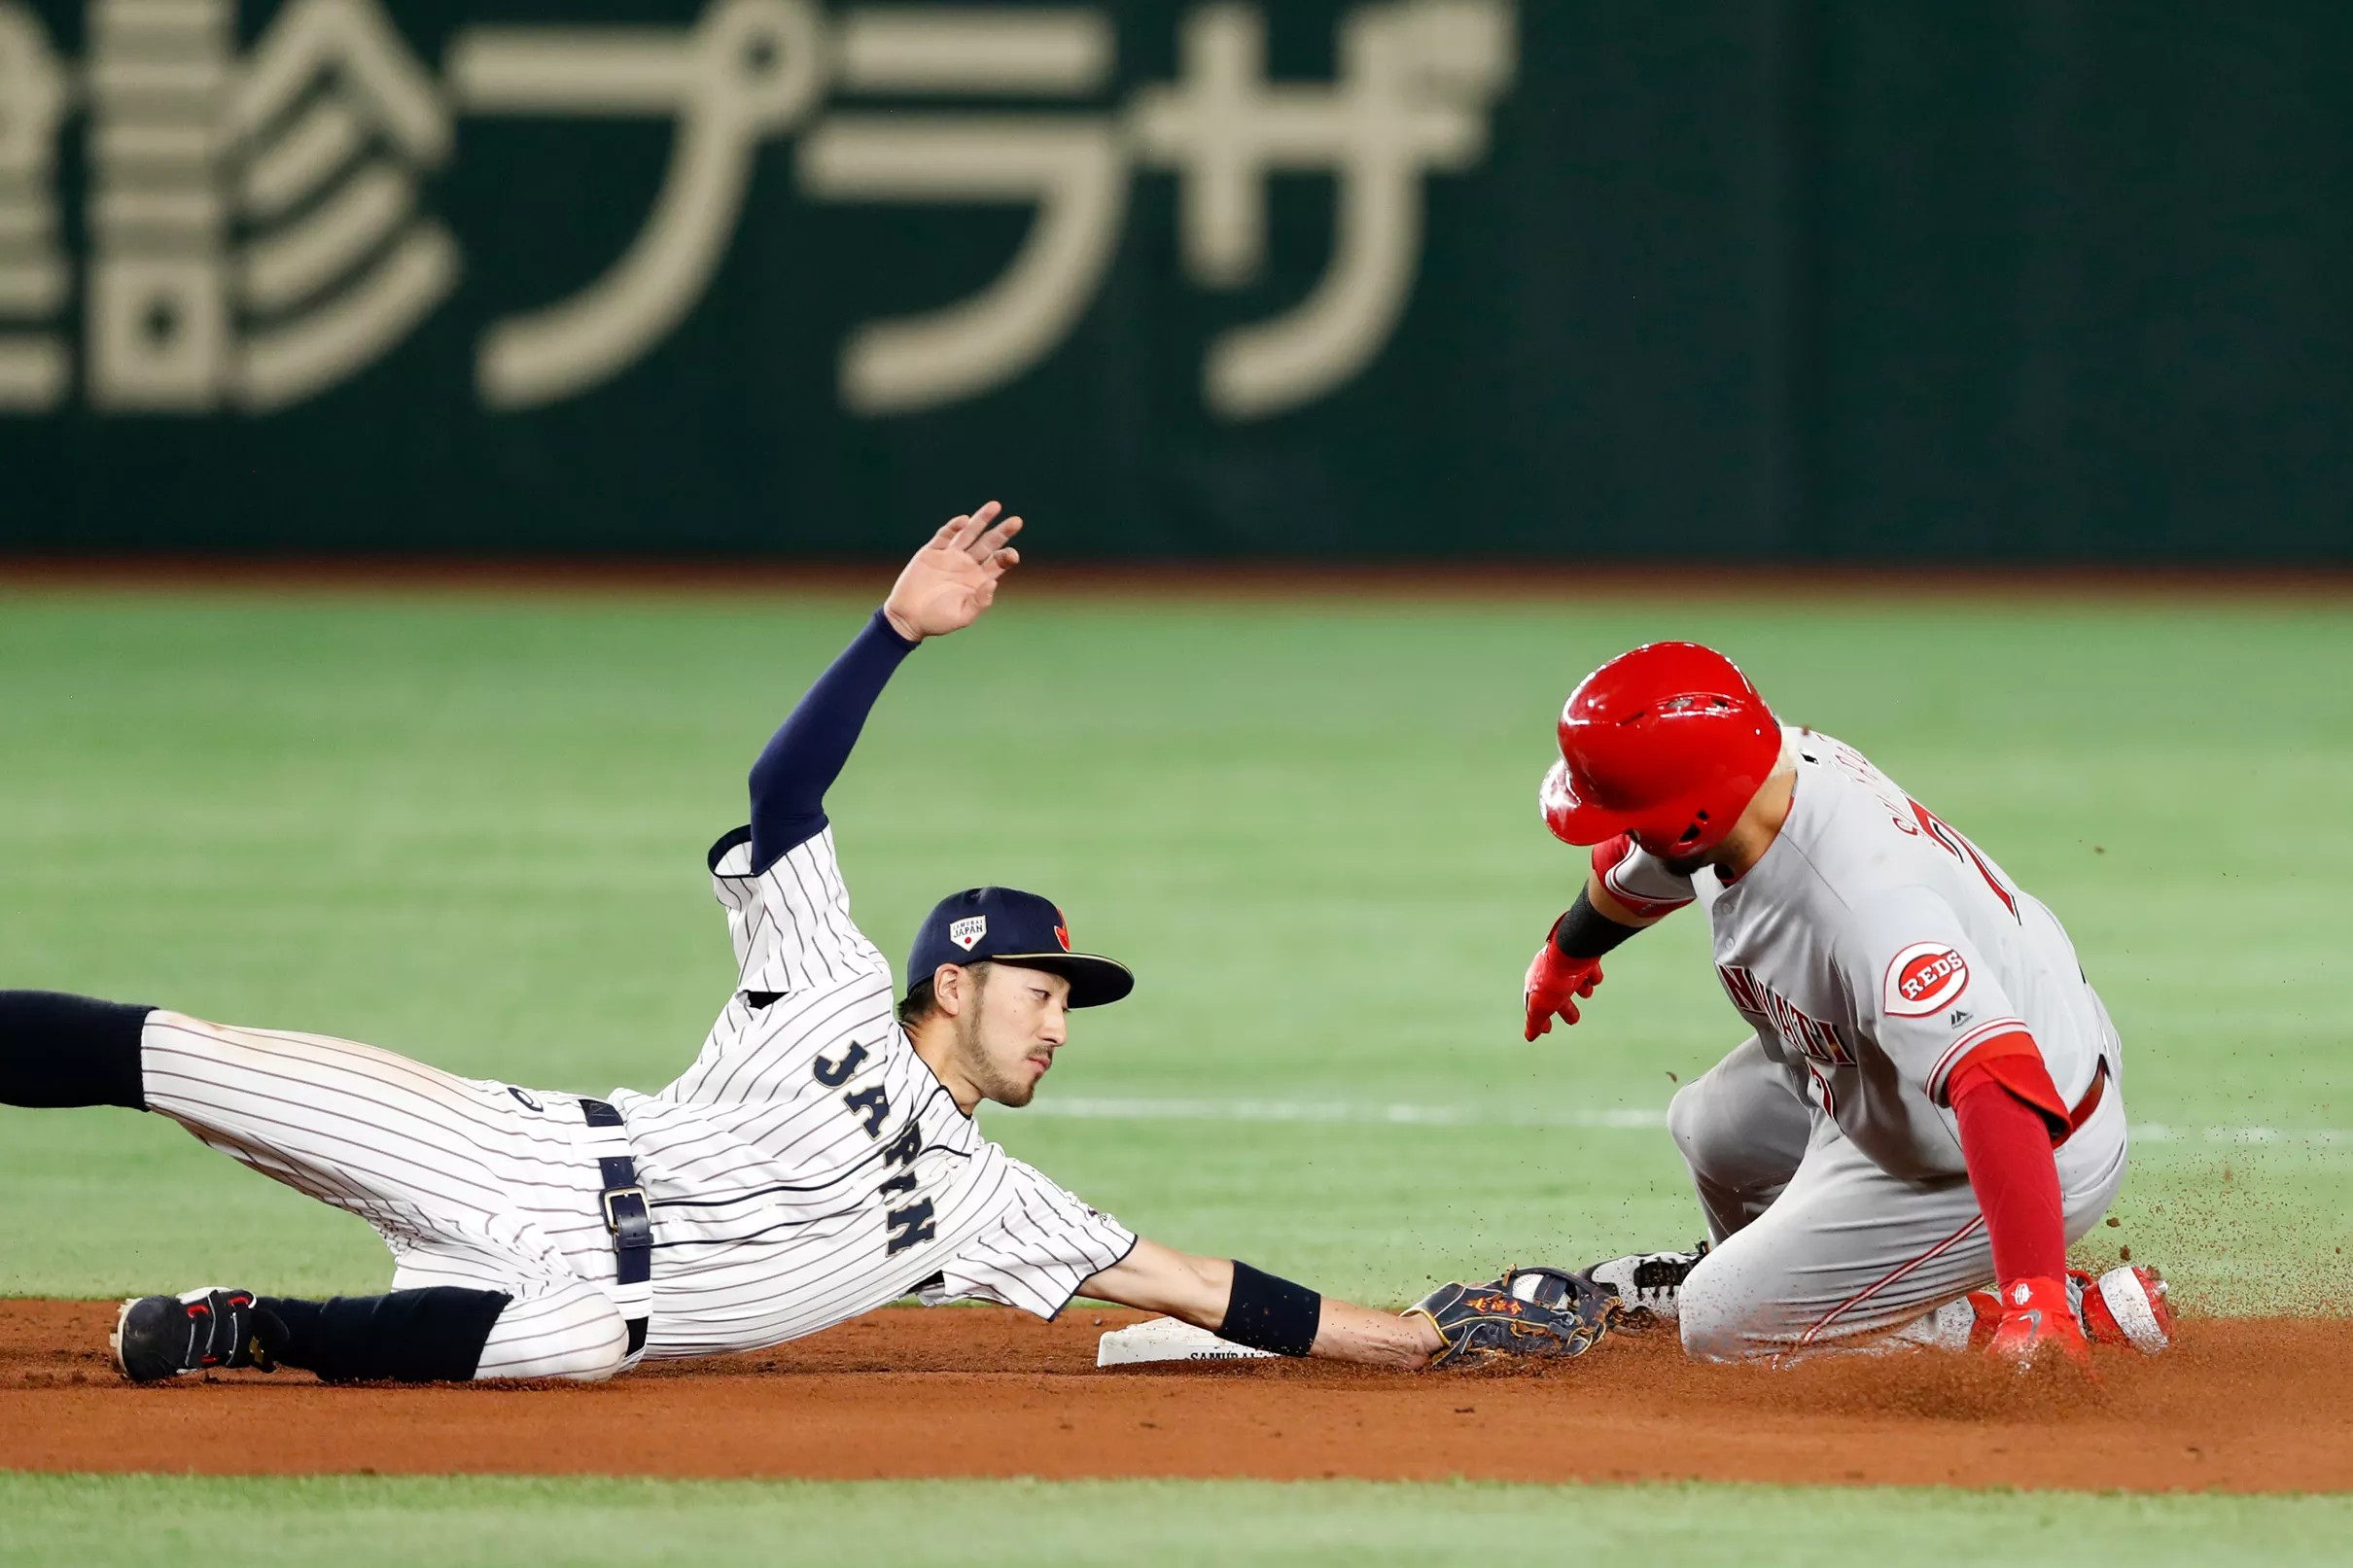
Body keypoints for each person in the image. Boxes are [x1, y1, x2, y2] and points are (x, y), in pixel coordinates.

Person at [3, 504, 1550, 1383]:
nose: (1059, 1022)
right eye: (1040, 989)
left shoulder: (988, 1203)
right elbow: (781, 793)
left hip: (593, 1308)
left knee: (572, 1339)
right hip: (517, 1156)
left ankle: (243, 1332)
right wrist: (892, 634)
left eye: (1069, 1001)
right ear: (955, 980)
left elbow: (1191, 1283)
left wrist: (1401, 1339)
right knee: (187, 1058)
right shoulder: (822, 979)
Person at [1519, 642, 2175, 1366]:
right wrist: (1567, 954)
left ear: (1691, 822)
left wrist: (2036, 1294)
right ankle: (1804, 1285)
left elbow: (1994, 1080)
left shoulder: (1866, 903)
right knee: (1710, 1127)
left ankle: (2019, 1312)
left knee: (1717, 1326)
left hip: (2018, 1143)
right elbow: (1635, 868)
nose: (1620, 827)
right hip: (1892, 1072)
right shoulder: (1755, 782)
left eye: (1631, 812)